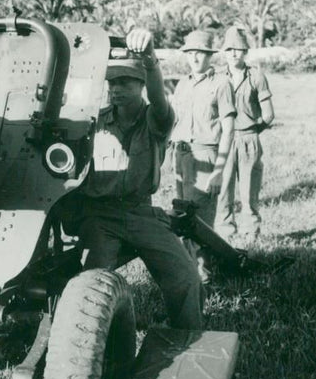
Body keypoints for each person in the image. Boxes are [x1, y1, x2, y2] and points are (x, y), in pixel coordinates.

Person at [60, 28, 204, 330]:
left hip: (142, 212)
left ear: (140, 84)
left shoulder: (157, 120)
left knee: (185, 278)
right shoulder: (95, 122)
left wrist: (150, 59)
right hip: (99, 216)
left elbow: (159, 99)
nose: (115, 88)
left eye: (124, 81)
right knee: (89, 289)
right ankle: (95, 345)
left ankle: (188, 339)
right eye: (111, 82)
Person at [169, 30, 236, 282]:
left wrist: (219, 170)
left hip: (206, 156)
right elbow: (174, 119)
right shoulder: (182, 84)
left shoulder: (221, 84)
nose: (195, 58)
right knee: (182, 219)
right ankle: (188, 273)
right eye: (190, 53)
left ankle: (204, 278)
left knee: (200, 223)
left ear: (209, 56)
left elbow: (229, 130)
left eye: (200, 53)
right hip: (182, 155)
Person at [215, 26, 275, 241]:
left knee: (249, 192)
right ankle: (225, 233)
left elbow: (268, 114)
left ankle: (251, 234)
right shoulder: (217, 77)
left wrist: (251, 130)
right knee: (223, 191)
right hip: (224, 141)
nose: (233, 53)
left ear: (246, 52)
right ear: (224, 51)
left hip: (249, 138)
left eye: (238, 49)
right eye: (229, 49)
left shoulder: (256, 77)